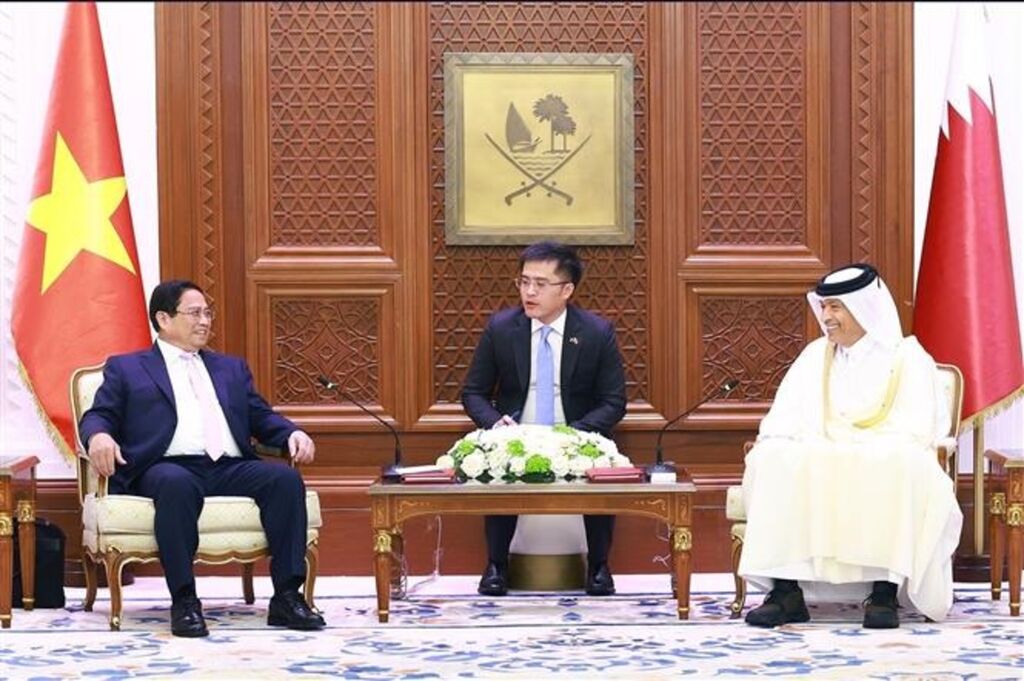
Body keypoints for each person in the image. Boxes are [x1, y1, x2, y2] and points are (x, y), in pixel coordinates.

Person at [79, 280, 325, 637]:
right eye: (194, 313)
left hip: (228, 466)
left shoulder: (230, 368)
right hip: (165, 466)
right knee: (177, 484)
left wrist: (291, 433)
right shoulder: (128, 368)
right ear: (163, 319)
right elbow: (99, 415)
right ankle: (184, 601)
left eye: (208, 313)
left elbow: (260, 415)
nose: (205, 321)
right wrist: (98, 436)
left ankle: (287, 597)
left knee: (284, 480)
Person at [739, 264, 963, 629]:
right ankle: (786, 593)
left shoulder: (907, 358)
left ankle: (884, 593)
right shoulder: (815, 355)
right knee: (773, 458)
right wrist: (798, 442)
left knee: (896, 462)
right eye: (823, 307)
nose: (825, 316)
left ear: (864, 308)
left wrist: (859, 446)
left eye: (835, 307)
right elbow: (783, 419)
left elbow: (919, 429)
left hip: (882, 453)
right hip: (822, 450)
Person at [462, 241, 627, 597]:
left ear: (566, 290)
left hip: (576, 433)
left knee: (603, 461)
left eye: (540, 283)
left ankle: (599, 565)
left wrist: (575, 434)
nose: (529, 292)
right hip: (516, 432)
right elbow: (473, 393)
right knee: (496, 456)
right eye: (524, 282)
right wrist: (496, 425)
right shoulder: (502, 328)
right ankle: (496, 565)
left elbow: (614, 402)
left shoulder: (596, 332)